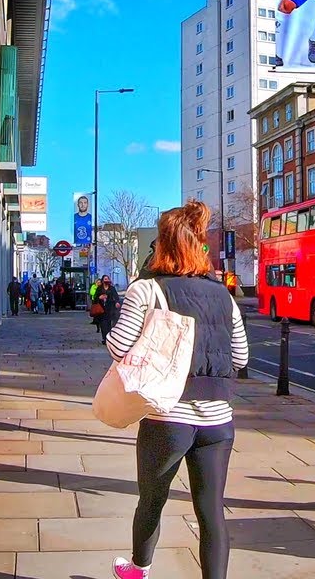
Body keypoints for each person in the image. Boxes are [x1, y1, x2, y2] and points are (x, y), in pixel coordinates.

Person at [107, 201, 248, 579]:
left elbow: (119, 347)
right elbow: (241, 356)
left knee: (152, 500)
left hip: (167, 416)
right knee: (211, 510)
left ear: (163, 245)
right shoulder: (223, 295)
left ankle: (139, 570)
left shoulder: (146, 289)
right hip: (219, 420)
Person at [94, 276, 120, 345]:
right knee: (103, 324)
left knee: (109, 324)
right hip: (101, 309)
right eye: (105, 279)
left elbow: (116, 296)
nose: (106, 280)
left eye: (107, 279)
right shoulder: (99, 288)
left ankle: (108, 338)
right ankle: (104, 338)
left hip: (110, 308)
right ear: (102, 281)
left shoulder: (112, 288)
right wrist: (99, 297)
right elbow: (95, 298)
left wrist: (117, 302)